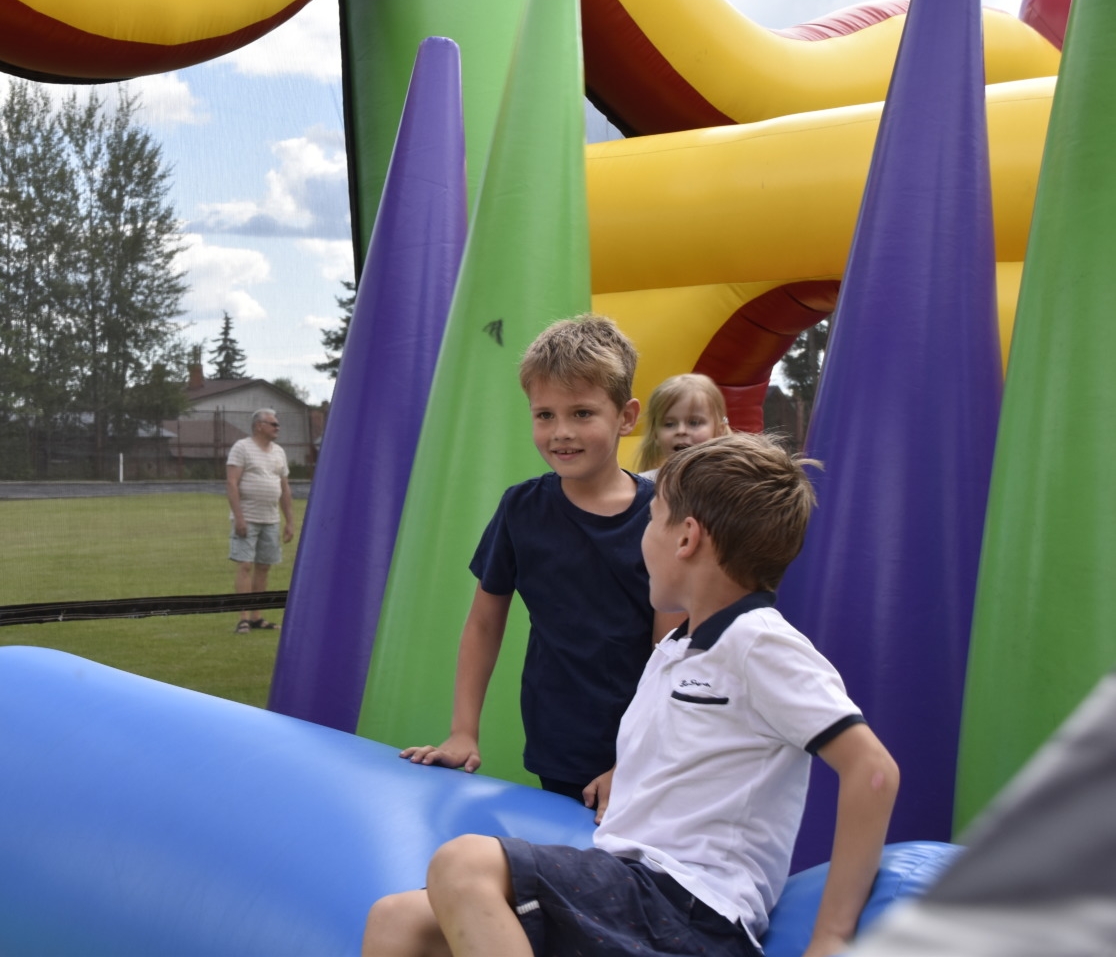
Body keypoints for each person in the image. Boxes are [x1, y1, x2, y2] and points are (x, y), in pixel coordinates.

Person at [364, 434, 899, 957]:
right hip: (630, 893)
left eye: (651, 521)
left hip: (691, 908)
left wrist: (831, 936)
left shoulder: (758, 640)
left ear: (686, 538)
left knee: (464, 862)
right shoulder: (677, 648)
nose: (643, 537)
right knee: (399, 918)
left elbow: (873, 771)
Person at [401, 314, 675, 810]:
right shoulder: (521, 510)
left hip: (648, 756)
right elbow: (484, 623)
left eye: (582, 413)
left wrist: (632, 761)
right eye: (544, 415)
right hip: (559, 745)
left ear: (627, 417)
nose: (561, 432)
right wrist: (463, 732)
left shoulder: (662, 517)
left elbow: (670, 654)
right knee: (564, 870)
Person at [226, 408, 295, 634]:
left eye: (277, 424)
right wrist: (239, 517)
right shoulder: (242, 448)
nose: (277, 427)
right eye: (273, 424)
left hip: (271, 519)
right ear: (259, 426)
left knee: (264, 567)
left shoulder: (279, 452)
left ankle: (257, 617)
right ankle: (243, 618)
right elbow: (232, 483)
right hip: (248, 517)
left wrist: (289, 521)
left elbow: (284, 488)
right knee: (245, 565)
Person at [634, 371, 730, 478]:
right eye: (669, 424)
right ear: (655, 434)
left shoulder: (728, 483)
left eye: (694, 423)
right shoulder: (646, 484)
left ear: (719, 431)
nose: (681, 431)